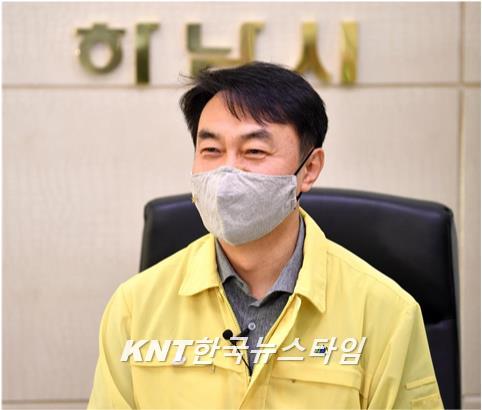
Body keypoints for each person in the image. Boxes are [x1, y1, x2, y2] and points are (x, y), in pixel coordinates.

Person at [87, 62, 443, 409]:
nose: (227, 174)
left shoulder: (385, 313)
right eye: (211, 150)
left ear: (309, 169)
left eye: (254, 151)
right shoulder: (135, 307)